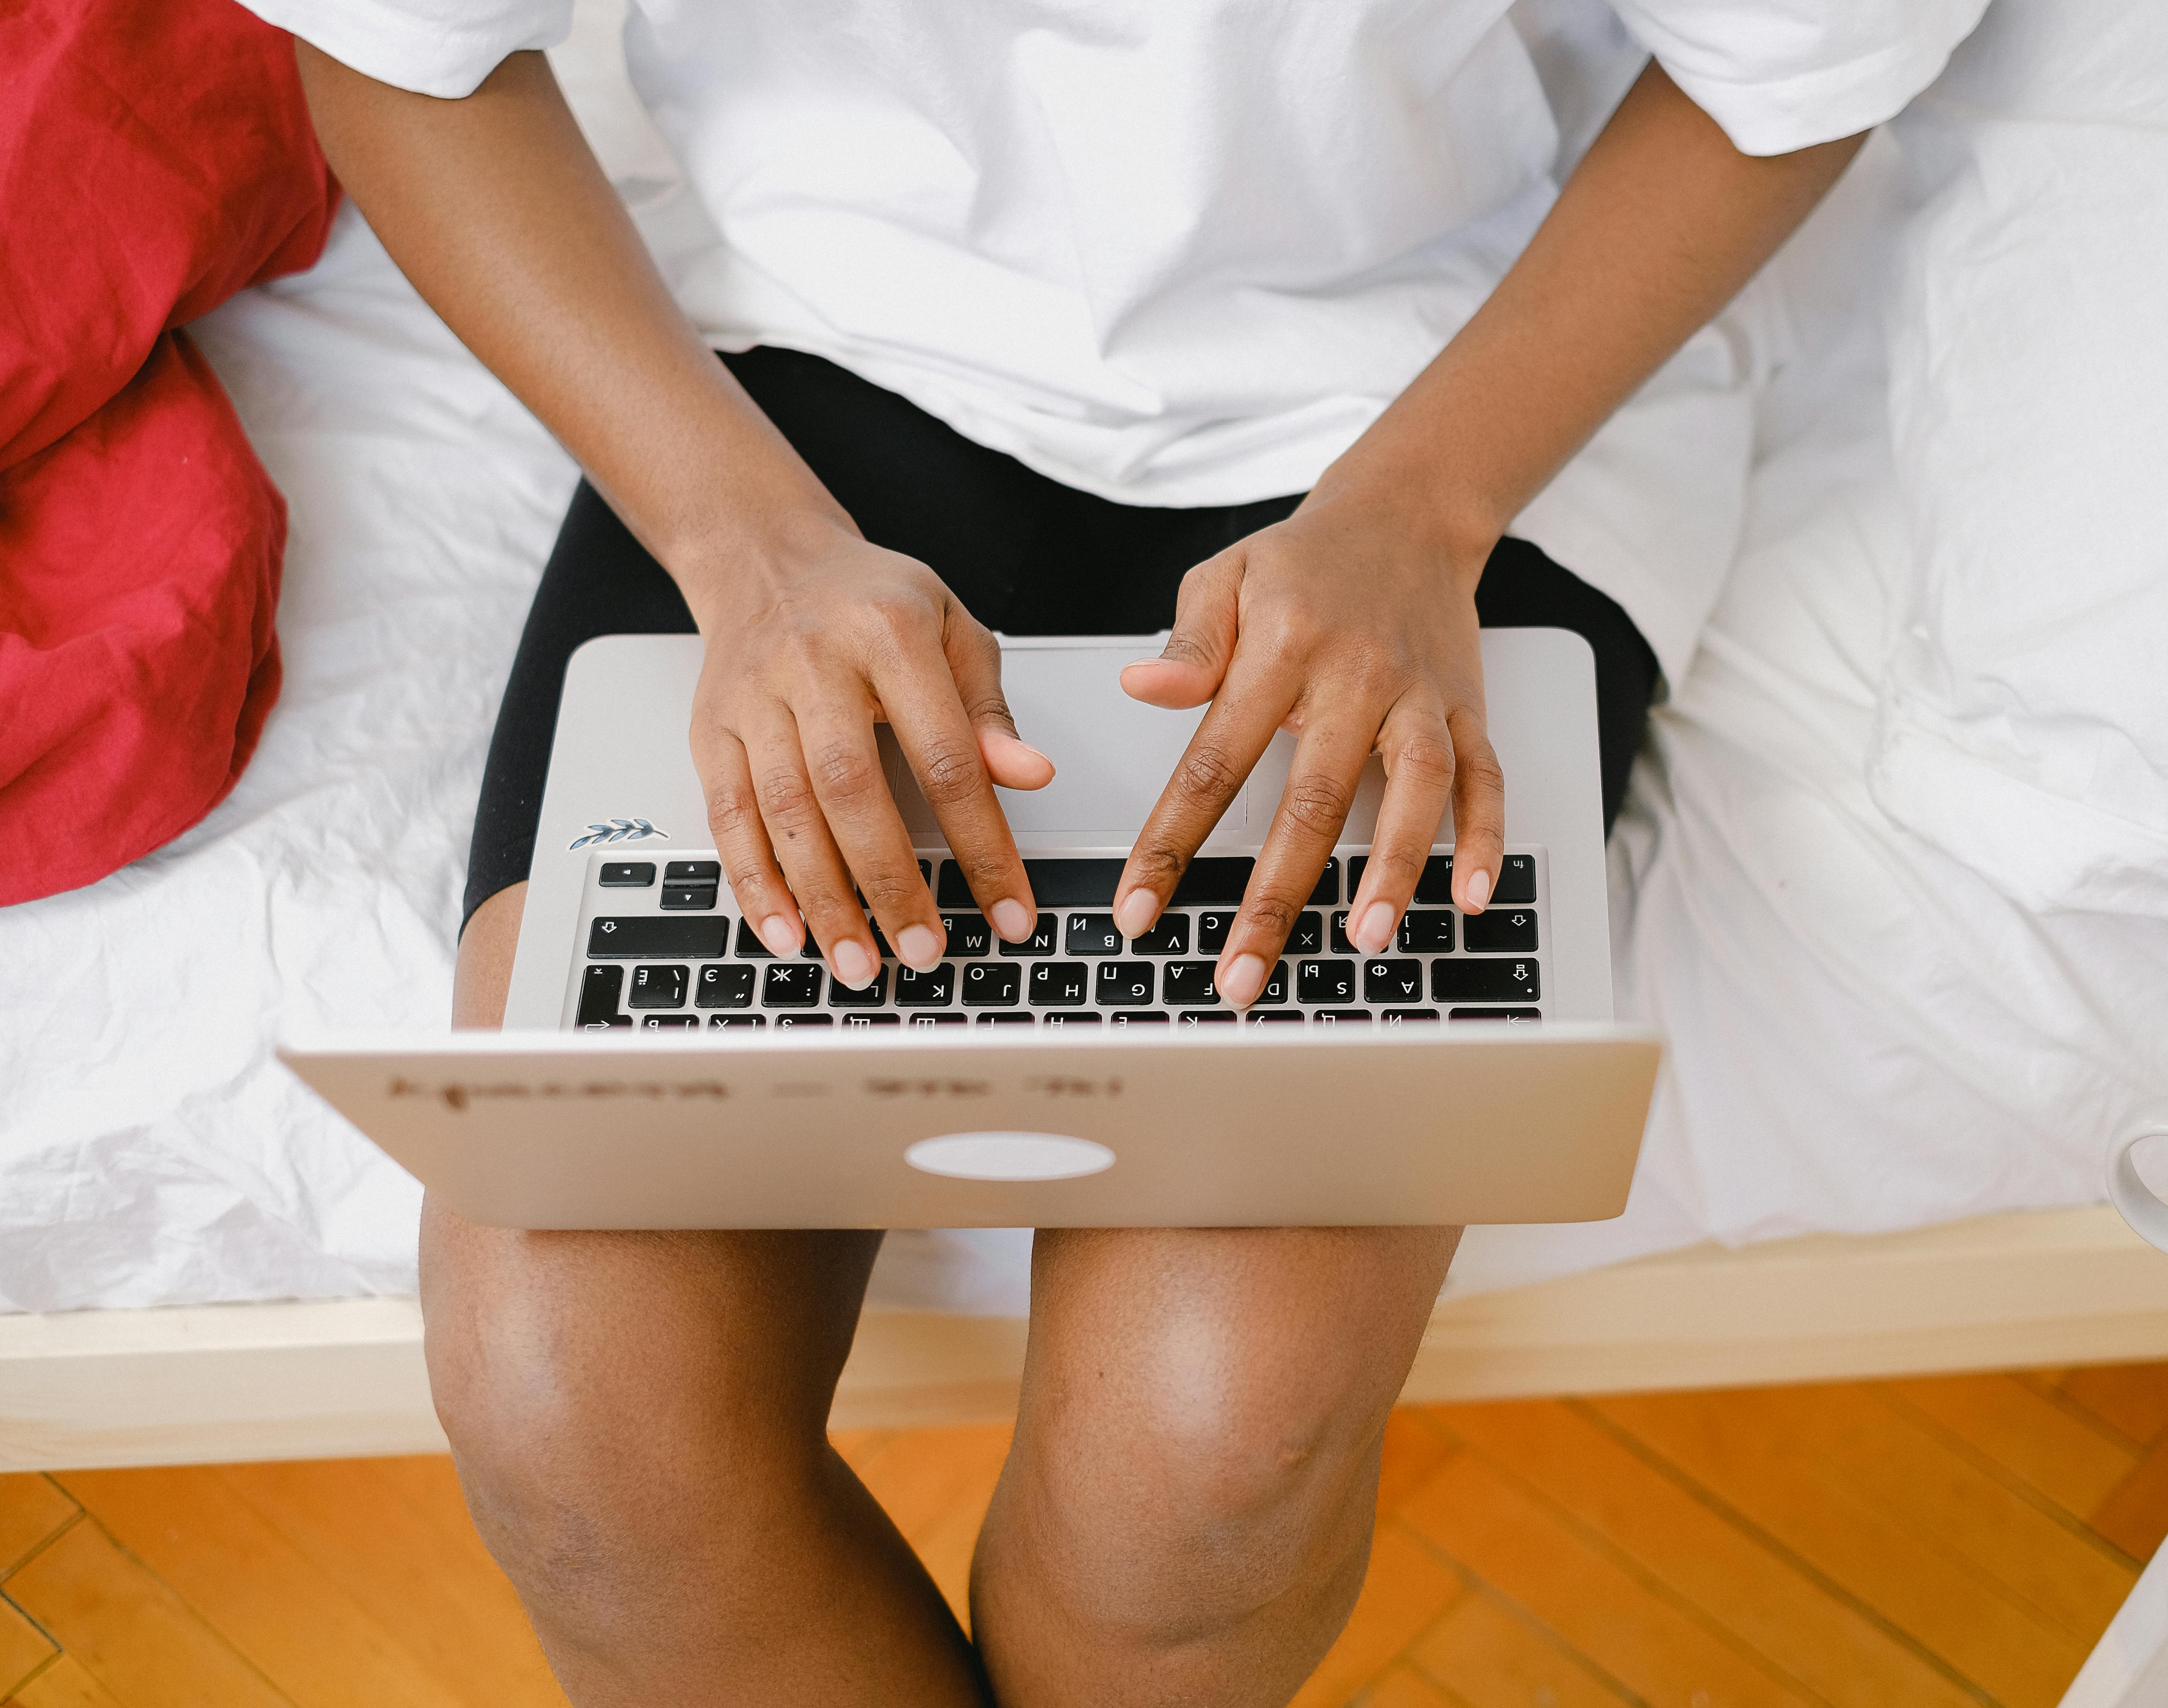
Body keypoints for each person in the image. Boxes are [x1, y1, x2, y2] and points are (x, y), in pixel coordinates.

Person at [260, 0, 1983, 1700]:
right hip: (803, 362)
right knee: (569, 1403)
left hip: (1446, 382)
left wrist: (1427, 511)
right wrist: (748, 550)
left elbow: (1799, 58)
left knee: (1212, 1433)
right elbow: (391, 47)